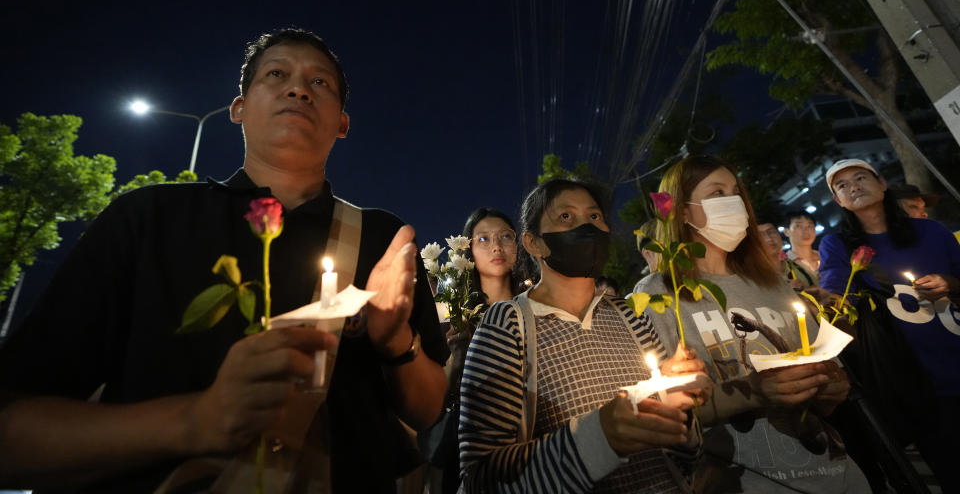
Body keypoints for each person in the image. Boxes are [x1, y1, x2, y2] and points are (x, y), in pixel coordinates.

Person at [0, 28, 446, 493]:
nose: (298, 89)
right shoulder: (148, 218)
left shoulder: (384, 240)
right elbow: (14, 437)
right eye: (277, 74)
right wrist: (197, 419)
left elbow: (429, 409)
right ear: (238, 109)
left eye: (320, 84)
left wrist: (394, 339)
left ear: (342, 123)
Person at [634, 155, 869, 493]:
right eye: (717, 193)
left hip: (836, 474)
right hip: (745, 481)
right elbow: (665, 406)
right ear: (682, 211)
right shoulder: (659, 292)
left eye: (736, 192)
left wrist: (831, 386)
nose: (733, 203)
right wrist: (753, 393)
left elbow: (830, 376)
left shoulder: (773, 284)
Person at [459, 178, 710, 493]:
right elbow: (480, 479)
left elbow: (689, 455)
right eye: (566, 217)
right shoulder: (507, 325)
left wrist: (679, 411)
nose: (587, 227)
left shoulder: (630, 316)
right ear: (534, 243)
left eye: (595, 217)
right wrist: (600, 437)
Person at [818, 158, 960, 491]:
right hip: (917, 382)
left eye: (860, 177)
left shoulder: (933, 232)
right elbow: (837, 293)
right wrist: (825, 301)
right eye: (842, 185)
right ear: (838, 201)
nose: (853, 186)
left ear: (882, 183)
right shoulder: (837, 245)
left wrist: (948, 283)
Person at [422, 207, 524, 494]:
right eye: (483, 239)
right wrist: (457, 357)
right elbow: (431, 400)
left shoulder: (533, 307)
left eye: (506, 236)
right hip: (466, 444)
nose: (496, 246)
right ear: (466, 251)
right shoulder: (451, 315)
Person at [783, 209, 821, 279]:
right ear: (786, 232)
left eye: (809, 226)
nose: (805, 230)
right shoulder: (785, 264)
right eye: (798, 226)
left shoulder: (825, 257)